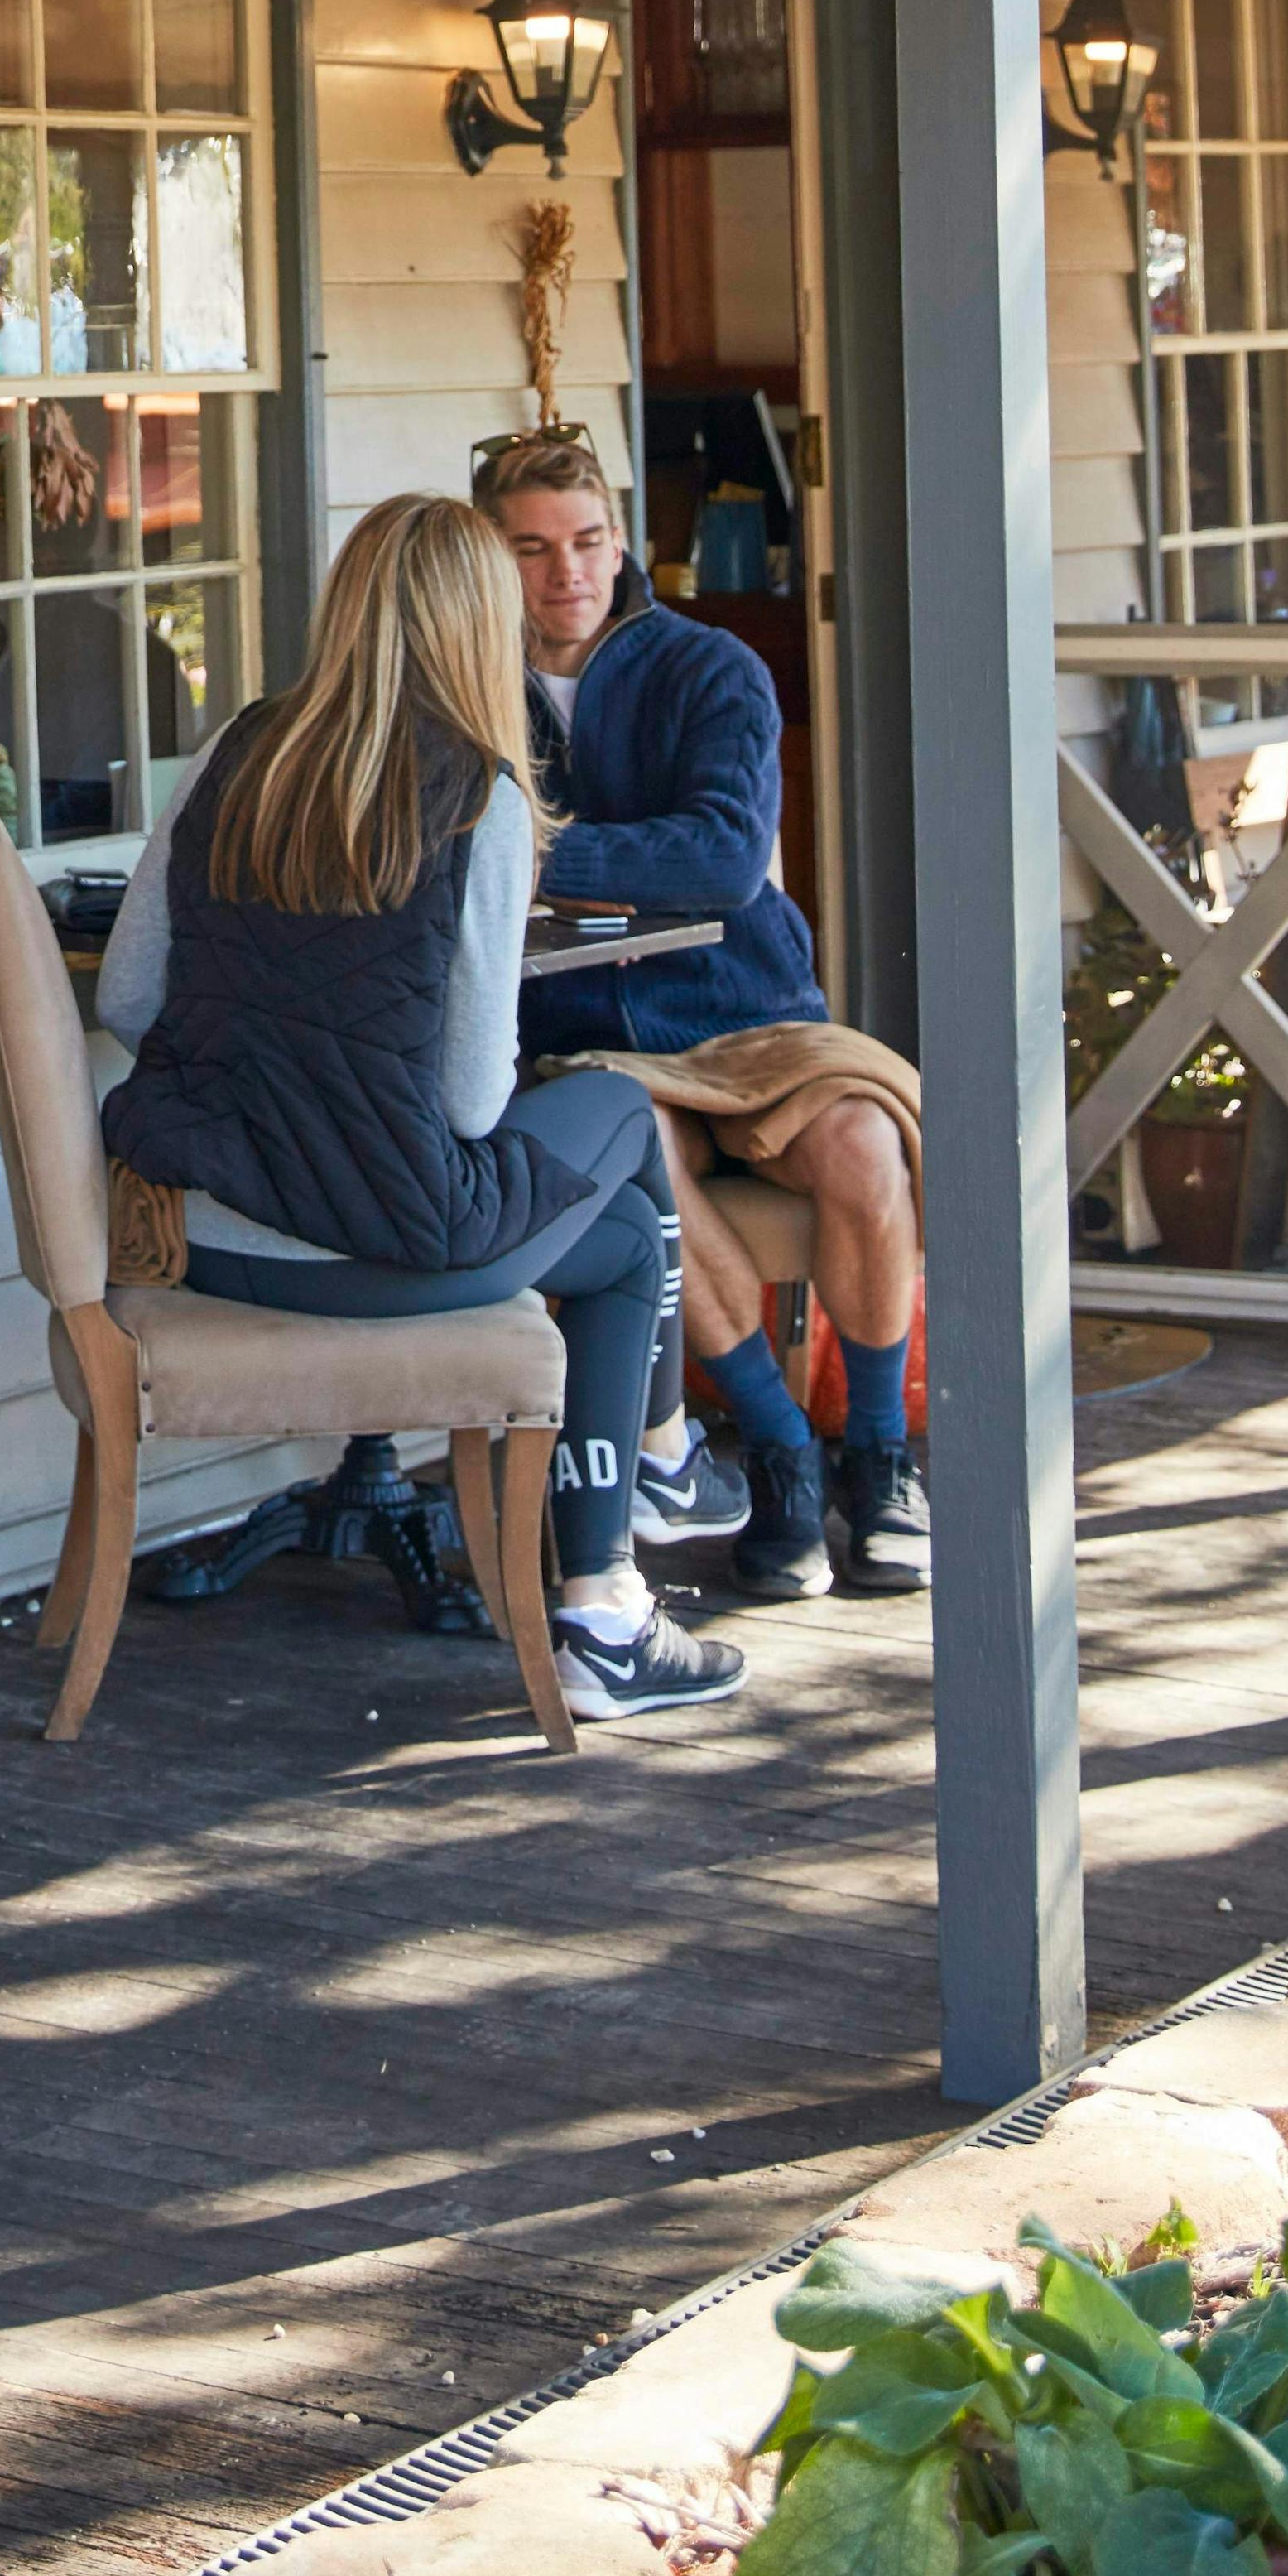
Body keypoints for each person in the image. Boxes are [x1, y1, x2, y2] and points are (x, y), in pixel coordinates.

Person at [86, 490, 745, 1726]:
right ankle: (647, 1491)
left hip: (204, 1237)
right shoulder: (479, 796)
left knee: (618, 1246)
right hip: (383, 1250)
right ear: (479, 619)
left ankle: (613, 1590)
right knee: (616, 1112)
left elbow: (127, 997)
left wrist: (267, 1094)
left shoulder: (238, 749)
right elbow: (470, 1100)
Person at [477, 433, 928, 1608]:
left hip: (749, 1009)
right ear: (487, 556)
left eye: (586, 542)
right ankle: (778, 1453)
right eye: (531, 550)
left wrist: (536, 854)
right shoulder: (466, 689)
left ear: (620, 540)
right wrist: (614, 863)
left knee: (863, 1142)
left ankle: (878, 1457)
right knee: (647, 1171)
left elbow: (724, 858)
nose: (566, 573)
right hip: (585, 1029)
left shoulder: (708, 666)